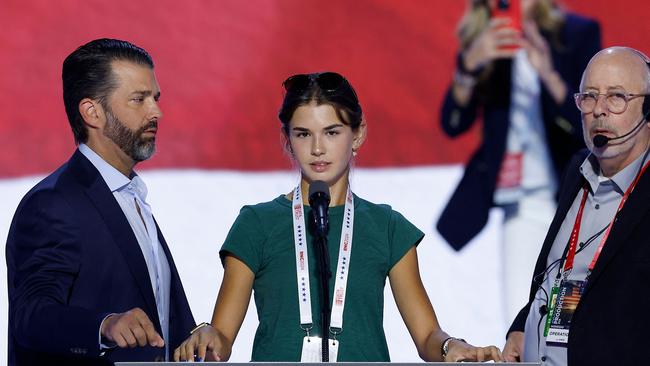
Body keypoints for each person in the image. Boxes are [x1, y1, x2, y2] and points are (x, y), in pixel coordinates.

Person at [173, 72, 502, 362]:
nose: (317, 148)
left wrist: (450, 348)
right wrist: (207, 335)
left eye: (331, 132)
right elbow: (222, 341)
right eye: (303, 134)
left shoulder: (386, 227)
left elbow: (428, 336)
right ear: (287, 140)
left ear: (357, 135)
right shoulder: (256, 224)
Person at [5, 38, 195, 365]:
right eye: (139, 99)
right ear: (92, 112)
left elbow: (161, 324)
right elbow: (32, 315)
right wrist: (103, 326)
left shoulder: (131, 196)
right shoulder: (53, 204)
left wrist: (196, 338)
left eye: (155, 97)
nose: (157, 111)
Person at [436, 0, 601, 321]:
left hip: (576, 197)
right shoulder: (487, 36)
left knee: (568, 318)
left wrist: (547, 72)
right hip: (521, 203)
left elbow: (593, 124)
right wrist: (469, 66)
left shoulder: (576, 33)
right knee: (521, 319)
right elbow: (453, 123)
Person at [502, 47, 650, 365]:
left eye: (616, 97)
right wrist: (523, 324)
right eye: (589, 96)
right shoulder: (577, 169)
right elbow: (559, 274)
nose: (598, 110)